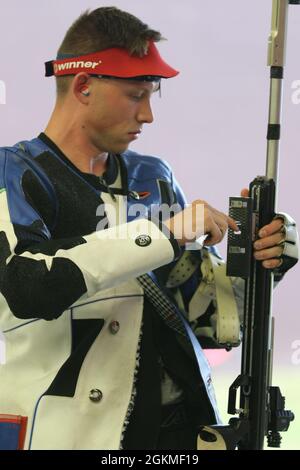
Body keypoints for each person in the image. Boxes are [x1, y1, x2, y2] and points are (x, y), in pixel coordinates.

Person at [0, 7, 298, 451]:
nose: (148, 116)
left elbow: (209, 319)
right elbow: (27, 287)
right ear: (83, 85)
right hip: (68, 433)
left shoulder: (153, 176)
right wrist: (164, 235)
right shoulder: (16, 171)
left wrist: (260, 259)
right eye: (136, 95)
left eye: (152, 95)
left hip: (181, 429)